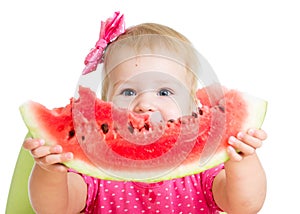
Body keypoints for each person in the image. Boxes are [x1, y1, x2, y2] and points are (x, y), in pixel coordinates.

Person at [23, 12, 267, 214]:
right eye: (128, 92)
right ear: (106, 107)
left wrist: (241, 159)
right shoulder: (97, 167)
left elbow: (244, 205)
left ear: (194, 107)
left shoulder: (204, 164)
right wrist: (50, 173)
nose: (145, 103)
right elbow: (55, 209)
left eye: (164, 92)